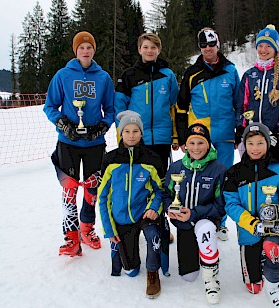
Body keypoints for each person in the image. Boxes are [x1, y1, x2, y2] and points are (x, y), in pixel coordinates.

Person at [43, 31, 115, 257]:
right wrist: (64, 125)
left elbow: (111, 109)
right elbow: (50, 106)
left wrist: (102, 126)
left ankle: (87, 228)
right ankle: (71, 237)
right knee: (69, 189)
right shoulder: (63, 75)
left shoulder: (103, 77)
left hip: (94, 143)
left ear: (94, 50)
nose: (86, 51)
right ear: (76, 51)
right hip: (68, 142)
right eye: (82, 47)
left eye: (89, 47)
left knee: (92, 188)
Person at [115, 33, 179, 266]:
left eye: (153, 47)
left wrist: (174, 135)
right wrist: (122, 136)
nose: (149, 50)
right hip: (136, 138)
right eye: (145, 47)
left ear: (158, 50)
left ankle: (160, 225)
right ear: (139, 49)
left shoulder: (168, 75)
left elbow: (173, 104)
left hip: (161, 138)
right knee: (138, 183)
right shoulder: (129, 76)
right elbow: (119, 109)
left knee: (160, 184)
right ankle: (135, 225)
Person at [223, 123, 279, 307]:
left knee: (271, 246)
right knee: (253, 286)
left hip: (274, 227)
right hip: (249, 232)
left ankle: (274, 285)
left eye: (260, 143)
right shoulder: (234, 173)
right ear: (244, 145)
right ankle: (259, 257)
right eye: (250, 143)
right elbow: (231, 205)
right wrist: (253, 224)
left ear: (267, 143)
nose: (255, 148)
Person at [176, 27, 240, 240]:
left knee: (222, 179)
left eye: (211, 45)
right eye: (203, 45)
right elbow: (181, 107)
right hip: (199, 138)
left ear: (218, 45)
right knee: (199, 178)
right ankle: (198, 217)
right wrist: (183, 136)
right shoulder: (192, 73)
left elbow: (239, 104)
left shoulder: (230, 71)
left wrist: (239, 130)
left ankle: (219, 222)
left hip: (224, 134)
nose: (208, 49)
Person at [98, 110, 164, 299]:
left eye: (135, 131)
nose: (131, 135)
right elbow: (103, 197)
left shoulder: (151, 159)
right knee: (131, 271)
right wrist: (109, 230)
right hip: (121, 217)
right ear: (120, 133)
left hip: (144, 214)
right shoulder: (110, 160)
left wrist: (153, 208)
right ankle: (122, 253)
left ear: (141, 133)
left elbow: (160, 191)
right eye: (127, 131)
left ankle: (153, 273)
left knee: (153, 236)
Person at [163, 120, 227, 304]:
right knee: (188, 276)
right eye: (191, 143)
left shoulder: (219, 169)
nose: (196, 148)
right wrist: (170, 208)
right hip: (183, 223)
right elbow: (166, 194)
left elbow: (220, 205)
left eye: (201, 143)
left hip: (206, 219)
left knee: (204, 229)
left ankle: (211, 275)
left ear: (208, 144)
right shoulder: (176, 167)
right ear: (185, 145)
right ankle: (199, 251)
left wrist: (194, 213)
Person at [235, 24, 279, 165]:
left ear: (275, 48)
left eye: (268, 46)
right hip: (253, 139)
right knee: (252, 177)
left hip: (275, 136)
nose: (264, 50)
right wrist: (240, 127)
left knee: (274, 177)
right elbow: (241, 105)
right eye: (260, 46)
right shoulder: (249, 75)